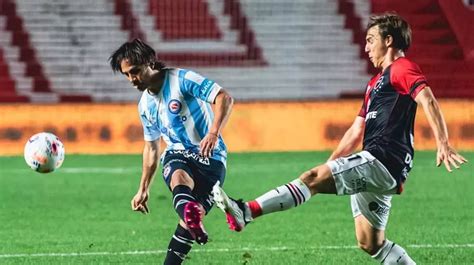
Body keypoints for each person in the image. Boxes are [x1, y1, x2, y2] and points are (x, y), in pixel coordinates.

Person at [212, 13, 467, 265]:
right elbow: (356, 130)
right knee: (371, 243)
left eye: (371, 40)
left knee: (310, 179)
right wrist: (330, 165)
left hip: (382, 160)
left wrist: (443, 142)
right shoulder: (375, 82)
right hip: (379, 164)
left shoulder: (402, 68)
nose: (366, 47)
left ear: (389, 41)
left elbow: (427, 98)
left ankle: (246, 212)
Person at [109, 39, 234, 264]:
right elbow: (151, 147)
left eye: (135, 72)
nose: (131, 79)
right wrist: (143, 188)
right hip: (178, 155)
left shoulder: (182, 80)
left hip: (212, 157)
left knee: (187, 224)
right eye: (126, 75)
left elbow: (224, 97)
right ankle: (190, 212)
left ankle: (190, 214)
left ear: (150, 61)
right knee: (177, 172)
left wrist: (213, 133)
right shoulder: (144, 106)